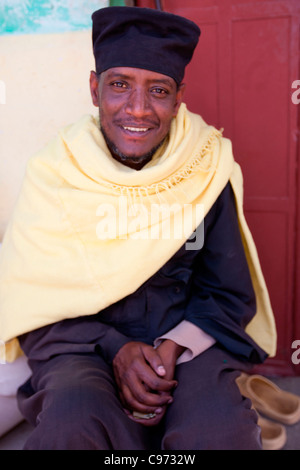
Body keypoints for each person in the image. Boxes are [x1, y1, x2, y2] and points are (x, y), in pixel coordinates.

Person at [0, 6, 276, 450]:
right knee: (71, 428)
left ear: (178, 98)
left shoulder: (204, 168)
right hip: (82, 347)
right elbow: (31, 299)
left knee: (219, 433)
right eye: (119, 85)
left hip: (188, 347)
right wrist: (116, 348)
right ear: (95, 88)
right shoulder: (56, 173)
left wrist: (173, 347)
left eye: (159, 90)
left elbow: (228, 293)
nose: (138, 109)